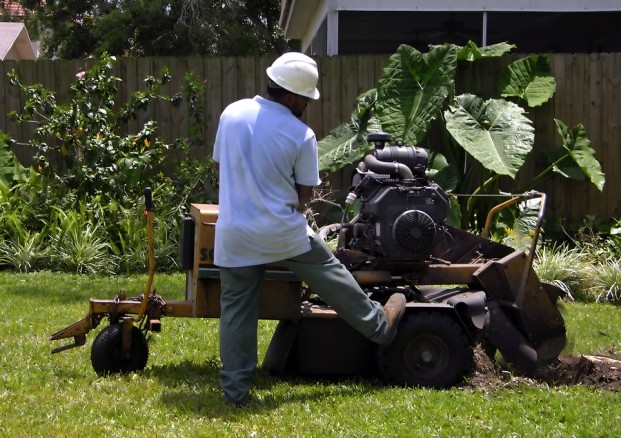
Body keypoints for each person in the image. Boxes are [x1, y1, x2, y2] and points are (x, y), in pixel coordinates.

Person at [212, 52, 406, 407]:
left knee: (237, 311)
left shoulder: (232, 113)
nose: (306, 105)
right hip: (282, 233)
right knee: (331, 274)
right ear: (290, 95)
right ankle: (380, 327)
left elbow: (220, 169)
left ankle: (235, 392)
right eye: (305, 98)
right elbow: (304, 198)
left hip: (233, 232)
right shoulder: (301, 134)